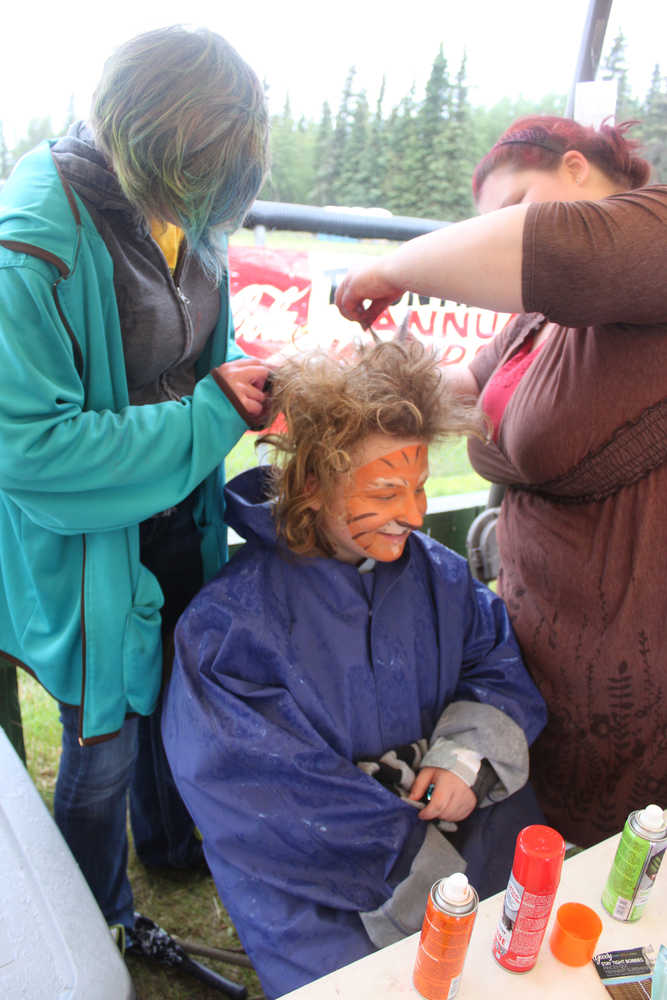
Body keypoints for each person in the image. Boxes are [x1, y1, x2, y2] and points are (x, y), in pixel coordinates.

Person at [162, 339, 547, 998]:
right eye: (388, 490)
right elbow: (256, 789)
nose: (417, 514)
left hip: (464, 832)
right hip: (319, 882)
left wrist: (466, 758)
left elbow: (493, 659)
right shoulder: (230, 627)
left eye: (421, 488)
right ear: (312, 485)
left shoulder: (440, 576)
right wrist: (404, 862)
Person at [0, 25, 270, 957]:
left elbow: (198, 352)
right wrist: (208, 419)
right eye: (193, 177)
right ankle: (96, 920)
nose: (202, 206)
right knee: (102, 736)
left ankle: (167, 845)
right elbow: (31, 453)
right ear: (139, 133)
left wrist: (236, 383)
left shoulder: (186, 205)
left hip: (170, 514)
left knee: (172, 694)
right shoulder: (28, 247)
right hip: (78, 544)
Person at [335, 115, 667, 849]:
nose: (501, 234)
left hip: (636, 667)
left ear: (576, 169)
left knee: (614, 862)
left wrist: (390, 269)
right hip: (541, 636)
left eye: (516, 201)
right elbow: (474, 390)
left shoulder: (653, 237)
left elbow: (557, 250)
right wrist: (347, 381)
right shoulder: (538, 321)